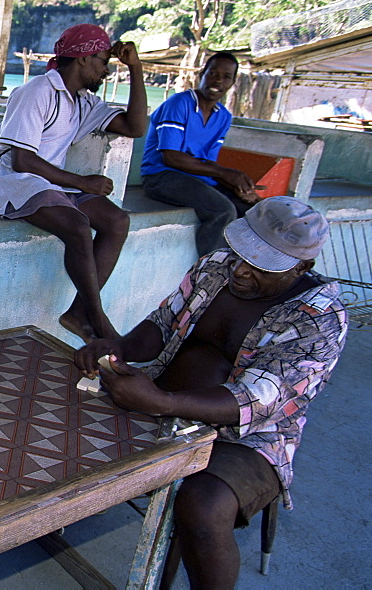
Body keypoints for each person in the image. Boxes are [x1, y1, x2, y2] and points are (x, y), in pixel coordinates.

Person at [75, 196, 347, 589]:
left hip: (248, 437)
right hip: (160, 397)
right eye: (240, 254)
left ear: (301, 267)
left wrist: (160, 401)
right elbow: (161, 326)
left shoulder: (319, 318)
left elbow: (260, 399)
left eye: (259, 266)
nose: (240, 271)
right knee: (59, 418)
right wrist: (118, 348)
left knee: (203, 508)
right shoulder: (215, 267)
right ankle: (49, 529)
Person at [0, 23, 148, 343]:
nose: (105, 71)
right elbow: (22, 161)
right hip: (13, 180)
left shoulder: (82, 102)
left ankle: (77, 313)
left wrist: (136, 69)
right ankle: (97, 318)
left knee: (117, 221)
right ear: (83, 58)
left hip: (50, 183)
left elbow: (135, 127)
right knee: (77, 224)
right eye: (103, 61)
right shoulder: (36, 92)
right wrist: (82, 182)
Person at [141, 52, 261, 257]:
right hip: (160, 177)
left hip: (195, 179)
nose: (218, 80)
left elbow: (207, 164)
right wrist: (225, 174)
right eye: (212, 73)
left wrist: (236, 186)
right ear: (202, 75)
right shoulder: (179, 104)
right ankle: (211, 271)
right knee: (223, 210)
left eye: (225, 76)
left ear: (232, 82)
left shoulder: (223, 116)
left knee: (253, 209)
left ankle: (248, 266)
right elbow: (171, 157)